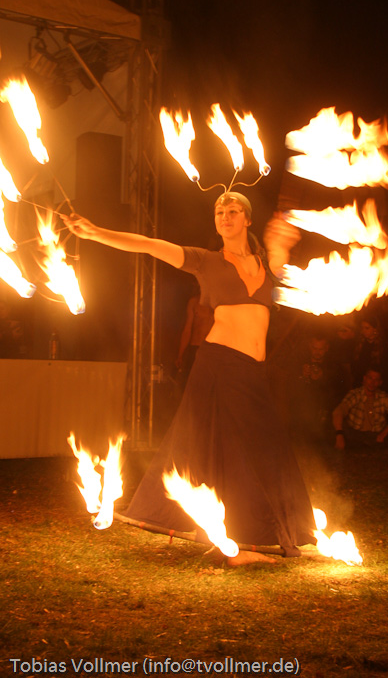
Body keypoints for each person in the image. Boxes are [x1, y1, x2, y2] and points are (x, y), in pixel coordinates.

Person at [64, 192, 315, 561]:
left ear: (247, 219)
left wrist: (285, 235)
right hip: (218, 364)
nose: (225, 216)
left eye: (233, 211)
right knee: (222, 450)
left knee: (262, 447)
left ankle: (264, 533)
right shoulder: (205, 260)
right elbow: (149, 245)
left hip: (252, 371)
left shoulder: (266, 264)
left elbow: (285, 251)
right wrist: (96, 232)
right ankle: (232, 543)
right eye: (219, 212)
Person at [332, 367, 388, 450]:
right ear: (365, 378)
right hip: (355, 434)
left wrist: (385, 432)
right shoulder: (355, 394)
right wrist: (339, 435)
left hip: (376, 435)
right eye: (370, 378)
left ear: (380, 382)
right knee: (338, 423)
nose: (372, 383)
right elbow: (338, 411)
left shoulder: (384, 397)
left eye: (376, 380)